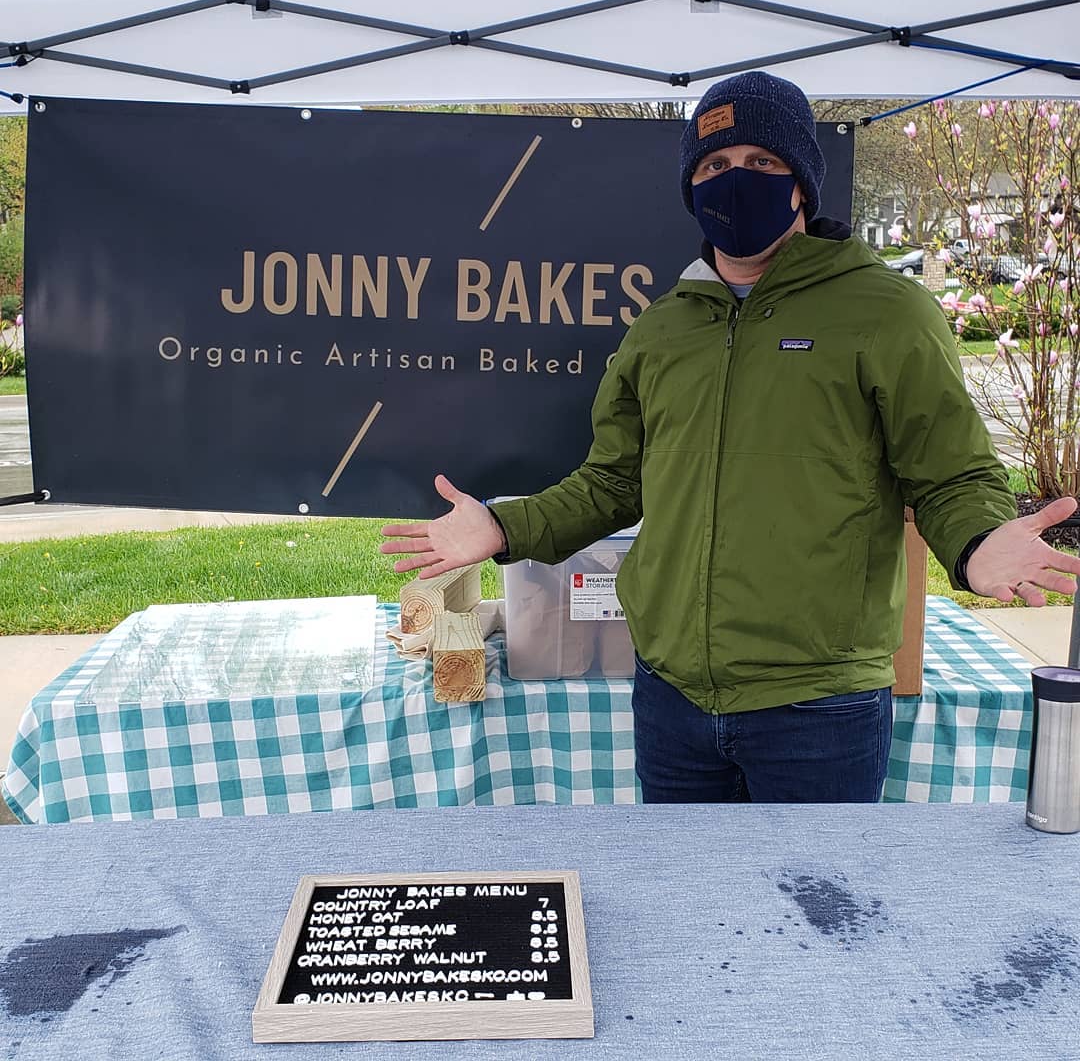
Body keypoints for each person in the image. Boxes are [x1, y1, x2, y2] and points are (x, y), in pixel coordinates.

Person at [381, 71, 1080, 805]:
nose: (734, 180)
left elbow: (950, 474)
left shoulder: (886, 311)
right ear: (692, 188)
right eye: (713, 166)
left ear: (802, 184)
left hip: (819, 706)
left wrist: (976, 544)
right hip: (673, 698)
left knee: (819, 915)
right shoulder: (662, 329)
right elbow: (614, 482)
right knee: (685, 909)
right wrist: (501, 525)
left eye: (761, 163)